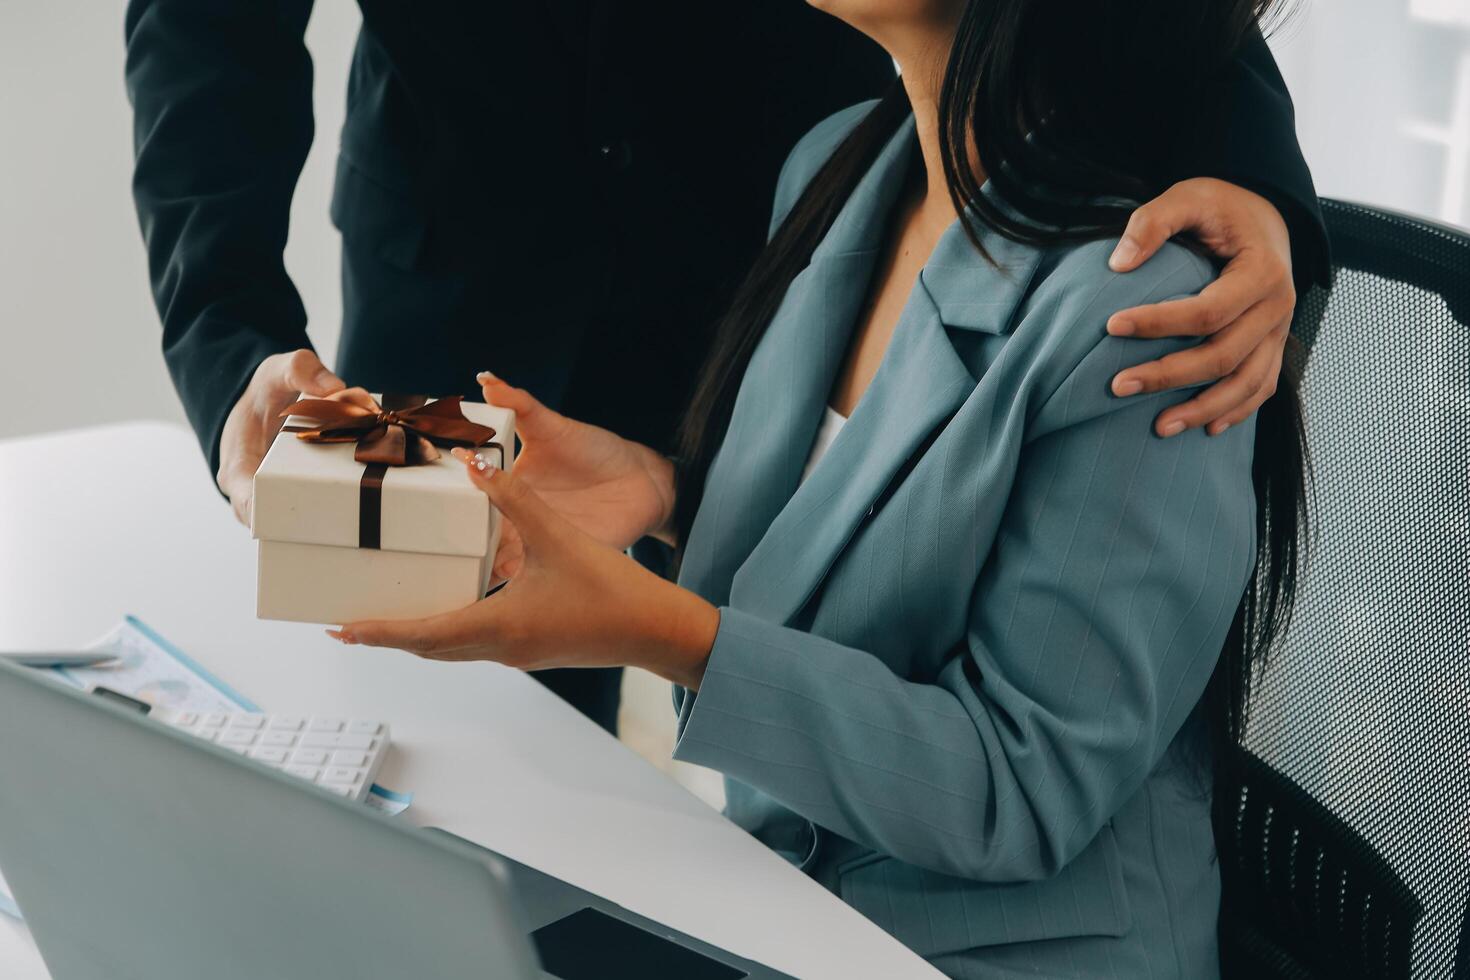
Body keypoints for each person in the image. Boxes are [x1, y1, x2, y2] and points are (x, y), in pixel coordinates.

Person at [325, 0, 1313, 975]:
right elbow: (872, 548)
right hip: (789, 906)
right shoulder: (842, 169)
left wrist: (652, 627)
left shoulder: (1147, 323)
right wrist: (669, 494)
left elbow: (1018, 788)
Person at [124, 3, 1321, 736]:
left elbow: (981, 768)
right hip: (458, 271)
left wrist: (1259, 184)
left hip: (790, 263)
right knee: (421, 734)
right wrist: (231, 341)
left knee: (815, 713)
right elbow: (204, 22)